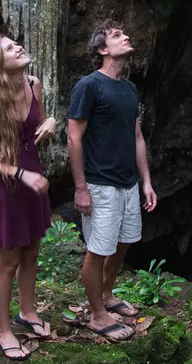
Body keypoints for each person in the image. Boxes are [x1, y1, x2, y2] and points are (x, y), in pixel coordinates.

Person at [67, 20, 157, 342]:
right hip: (99, 183)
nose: (126, 36)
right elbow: (74, 138)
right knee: (98, 249)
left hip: (127, 183)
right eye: (117, 35)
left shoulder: (129, 89)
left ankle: (106, 293)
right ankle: (96, 314)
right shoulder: (89, 86)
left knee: (125, 240)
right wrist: (80, 188)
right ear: (103, 49)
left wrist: (145, 181)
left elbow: (137, 137)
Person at [0, 35, 57, 360]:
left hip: (34, 179)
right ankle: (3, 330)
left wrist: (50, 121)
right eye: (8, 48)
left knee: (32, 251)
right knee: (8, 262)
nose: (18, 46)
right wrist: (19, 174)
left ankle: (28, 312)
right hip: (7, 185)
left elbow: (38, 127)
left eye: (15, 43)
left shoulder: (34, 84)